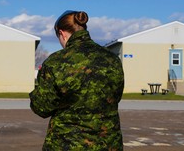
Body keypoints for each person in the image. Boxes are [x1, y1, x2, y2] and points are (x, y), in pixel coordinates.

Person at [29, 10, 125, 150]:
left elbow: (41, 108)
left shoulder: (56, 62)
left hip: (67, 144)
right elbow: (115, 97)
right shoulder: (112, 60)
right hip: (109, 143)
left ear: (62, 33)